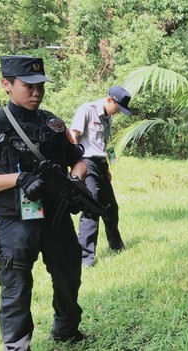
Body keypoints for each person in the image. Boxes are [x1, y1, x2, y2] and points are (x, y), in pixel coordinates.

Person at [0, 55, 90, 351]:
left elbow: (77, 159)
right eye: (27, 86)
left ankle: (66, 330)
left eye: (40, 86)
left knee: (68, 275)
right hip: (15, 222)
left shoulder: (53, 124)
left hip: (56, 217)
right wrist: (18, 179)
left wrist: (76, 180)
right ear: (6, 84)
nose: (36, 92)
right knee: (16, 292)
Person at [69, 86, 132, 267]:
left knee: (111, 207)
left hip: (101, 165)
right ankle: (85, 259)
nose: (118, 112)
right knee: (91, 207)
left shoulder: (108, 117)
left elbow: (105, 144)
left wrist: (107, 168)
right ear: (110, 100)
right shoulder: (87, 110)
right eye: (118, 108)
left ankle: (117, 246)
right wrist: (75, 164)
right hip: (86, 163)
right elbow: (73, 136)